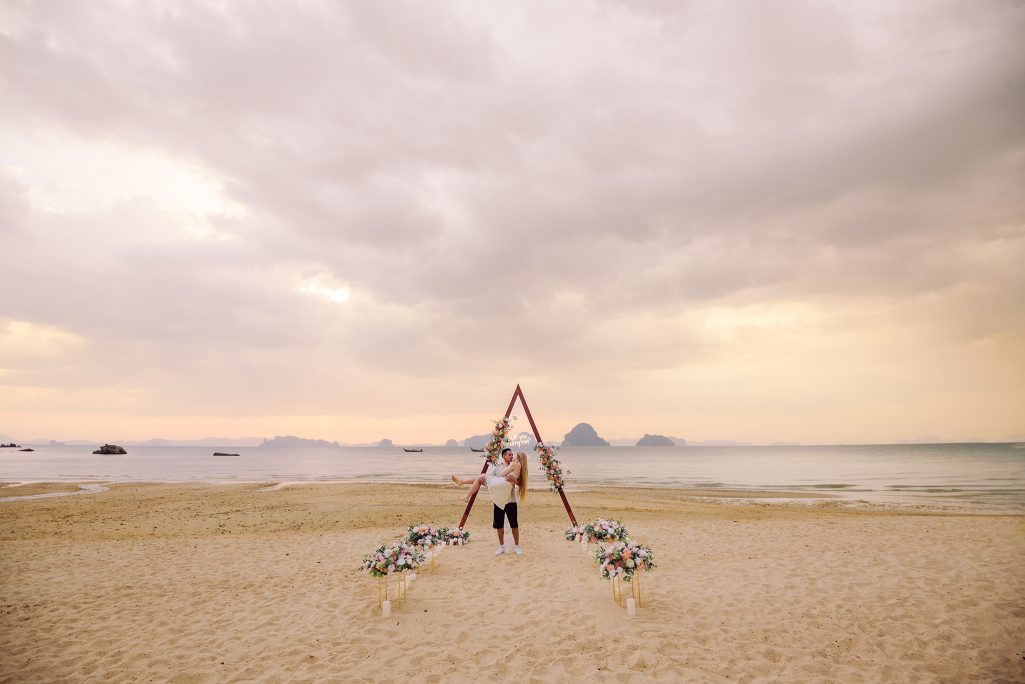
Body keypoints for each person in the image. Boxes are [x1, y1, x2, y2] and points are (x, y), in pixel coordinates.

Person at [451, 448, 528, 556]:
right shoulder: (497, 468)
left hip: (511, 500)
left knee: (514, 524)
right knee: (499, 524)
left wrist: (514, 480)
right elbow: (493, 480)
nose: (511, 456)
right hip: (498, 498)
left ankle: (517, 546)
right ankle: (501, 546)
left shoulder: (516, 466)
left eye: (512, 454)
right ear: (504, 456)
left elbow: (521, 484)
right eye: (509, 455)